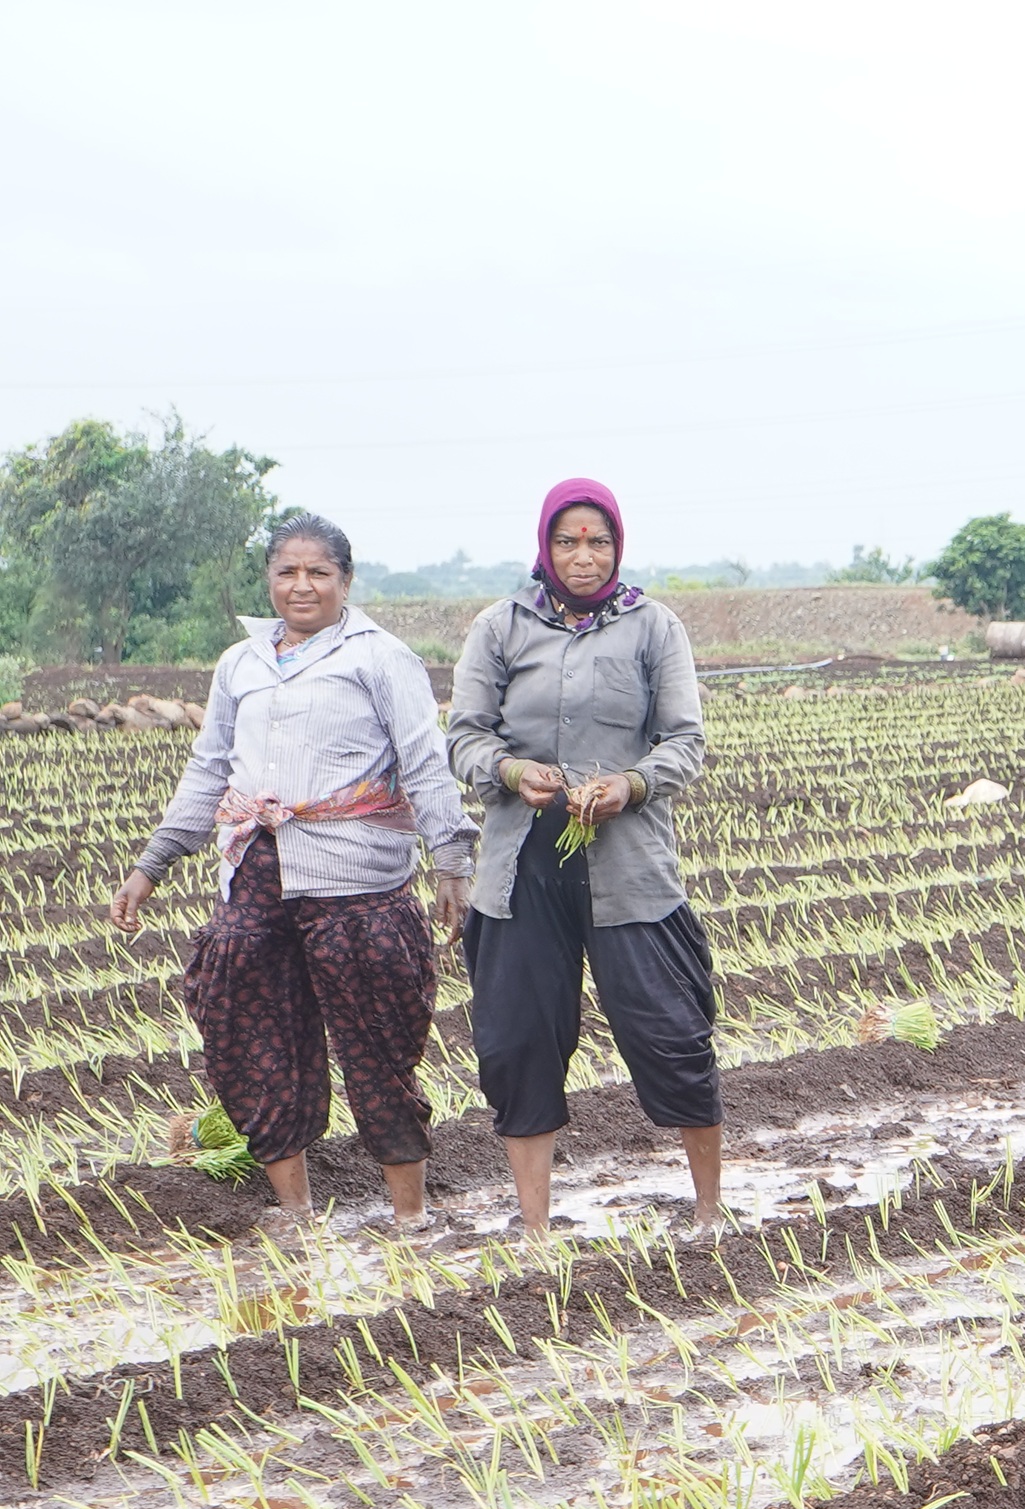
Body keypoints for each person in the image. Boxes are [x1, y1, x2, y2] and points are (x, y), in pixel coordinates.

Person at [108, 514, 471, 1239]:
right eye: (287, 572)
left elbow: (425, 761)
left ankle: (410, 1215)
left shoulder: (380, 657)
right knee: (245, 1018)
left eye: (318, 573)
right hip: (258, 868)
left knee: (377, 1045)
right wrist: (154, 861)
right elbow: (210, 769)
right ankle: (296, 1212)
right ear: (269, 579)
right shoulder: (240, 663)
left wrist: (451, 860)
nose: (301, 585)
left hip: (356, 874)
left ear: (345, 581)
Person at [446, 478, 719, 1236]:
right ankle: (534, 1226)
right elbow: (464, 735)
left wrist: (631, 784)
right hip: (522, 866)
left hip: (629, 867)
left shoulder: (653, 627)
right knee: (518, 1041)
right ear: (545, 546)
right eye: (567, 540)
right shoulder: (500, 627)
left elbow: (686, 743)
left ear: (618, 547)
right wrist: (510, 773)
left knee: (671, 1031)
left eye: (598, 541)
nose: (583, 556)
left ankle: (707, 1212)